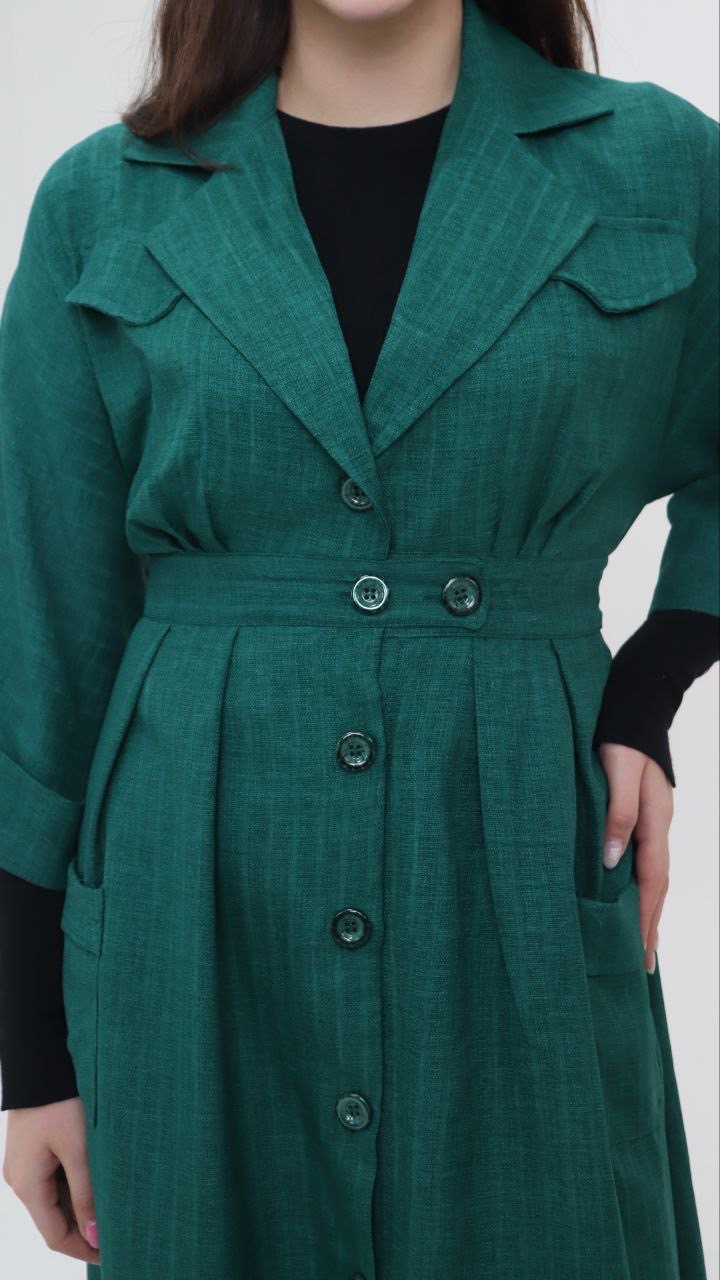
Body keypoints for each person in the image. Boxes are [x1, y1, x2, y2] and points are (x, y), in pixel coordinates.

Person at [0, 0, 718, 1276]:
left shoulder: (658, 164)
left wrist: (651, 685)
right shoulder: (102, 201)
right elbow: (39, 637)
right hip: (189, 909)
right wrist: (31, 1054)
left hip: (522, 860)